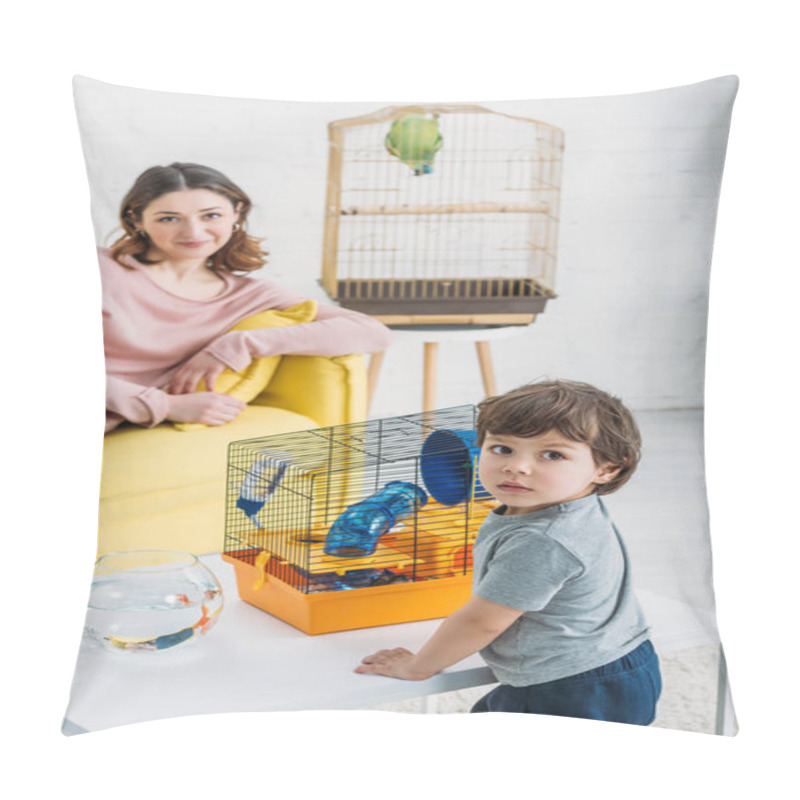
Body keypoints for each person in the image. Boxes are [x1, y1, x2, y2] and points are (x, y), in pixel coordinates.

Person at [356, 379, 662, 726]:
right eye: (502, 449)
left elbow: (482, 622)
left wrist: (418, 665)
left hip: (572, 685)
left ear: (606, 469)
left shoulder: (544, 539)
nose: (516, 466)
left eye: (552, 455)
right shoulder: (560, 504)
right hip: (615, 660)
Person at [101, 162, 392, 432]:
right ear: (136, 219)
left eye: (211, 215)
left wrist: (242, 343)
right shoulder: (101, 268)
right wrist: (165, 406)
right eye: (168, 218)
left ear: (237, 213)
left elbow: (373, 333)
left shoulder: (251, 295)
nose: (193, 231)